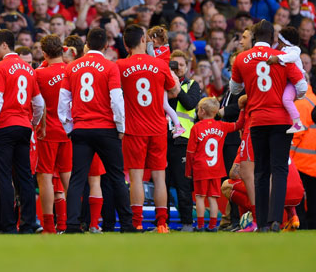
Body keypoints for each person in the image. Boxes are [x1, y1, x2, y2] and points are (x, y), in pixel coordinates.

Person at [229, 19, 307, 231]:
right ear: (273, 38)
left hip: (257, 119)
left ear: (254, 36)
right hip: (281, 120)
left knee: (261, 171)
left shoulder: (241, 59)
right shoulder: (283, 57)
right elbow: (301, 87)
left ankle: (261, 222)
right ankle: (275, 220)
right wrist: (285, 93)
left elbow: (234, 89)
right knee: (279, 169)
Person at [58, 27, 135, 233]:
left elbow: (63, 101)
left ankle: (72, 224)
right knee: (117, 177)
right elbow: (117, 100)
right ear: (106, 45)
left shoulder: (72, 67)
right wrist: (121, 126)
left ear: (86, 44)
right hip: (106, 129)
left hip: (81, 129)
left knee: (77, 178)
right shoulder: (110, 67)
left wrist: (69, 127)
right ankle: (127, 225)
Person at [117, 25, 180, 232]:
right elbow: (174, 90)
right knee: (159, 177)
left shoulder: (120, 65)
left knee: (135, 178)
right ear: (144, 40)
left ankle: (136, 223)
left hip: (134, 128)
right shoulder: (160, 65)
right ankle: (162, 223)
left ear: (126, 44)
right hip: (158, 127)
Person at [0, 29, 44, 233]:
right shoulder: (28, 69)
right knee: (25, 177)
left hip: (4, 126)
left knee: (4, 178)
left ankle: (8, 225)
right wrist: (33, 122)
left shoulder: (1, 67)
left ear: (4, 45)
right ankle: (28, 224)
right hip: (24, 126)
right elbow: (38, 103)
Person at [186, 96, 247, 231]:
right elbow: (239, 124)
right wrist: (242, 110)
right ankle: (213, 226)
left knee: (200, 197)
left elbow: (190, 152)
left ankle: (201, 226)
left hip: (200, 168)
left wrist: (188, 171)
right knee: (213, 198)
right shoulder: (222, 125)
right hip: (216, 169)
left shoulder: (196, 128)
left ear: (201, 111)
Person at [35, 34, 71, 234]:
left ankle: (49, 226)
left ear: (44, 53)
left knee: (45, 178)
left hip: (46, 131)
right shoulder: (72, 70)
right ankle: (71, 223)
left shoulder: (39, 74)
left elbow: (36, 105)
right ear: (62, 50)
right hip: (69, 130)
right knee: (68, 178)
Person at [267, 26, 308, 133]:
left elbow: (293, 57)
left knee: (286, 100)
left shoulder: (294, 49)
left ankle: (298, 124)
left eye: (280, 42)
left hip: (298, 81)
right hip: (290, 82)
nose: (278, 45)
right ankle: (290, 127)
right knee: (284, 102)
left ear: (284, 42)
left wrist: (278, 58)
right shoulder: (284, 50)